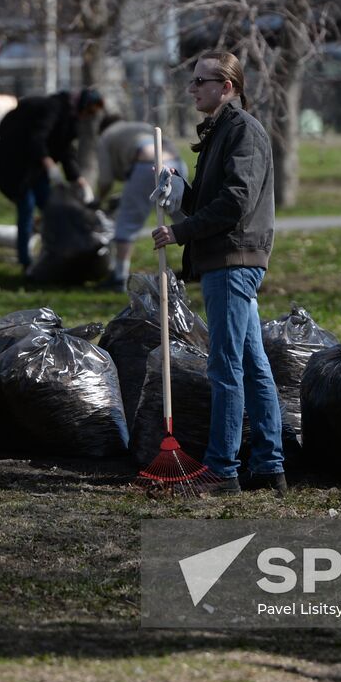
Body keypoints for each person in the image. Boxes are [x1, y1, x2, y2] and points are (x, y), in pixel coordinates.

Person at [151, 51, 287, 497]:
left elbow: (235, 203)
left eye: (200, 82)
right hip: (227, 259)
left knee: (225, 367)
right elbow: (215, 198)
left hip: (233, 261)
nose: (192, 90)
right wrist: (180, 193)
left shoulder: (242, 130)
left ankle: (221, 469)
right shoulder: (219, 132)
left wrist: (179, 231)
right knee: (251, 364)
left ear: (226, 86)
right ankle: (269, 466)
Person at [0, 88, 103, 271]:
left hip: (37, 170)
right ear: (83, 104)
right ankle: (25, 261)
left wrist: (78, 179)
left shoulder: (70, 118)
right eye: (88, 111)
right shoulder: (52, 108)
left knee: (51, 208)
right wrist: (50, 166)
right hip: (18, 167)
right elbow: (37, 139)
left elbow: (65, 150)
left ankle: (54, 254)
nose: (86, 116)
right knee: (27, 209)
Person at [94, 113, 186, 289]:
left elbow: (105, 180)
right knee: (184, 219)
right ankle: (201, 266)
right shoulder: (136, 126)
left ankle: (119, 278)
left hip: (147, 166)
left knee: (127, 222)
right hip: (175, 164)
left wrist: (99, 199)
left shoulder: (106, 136)